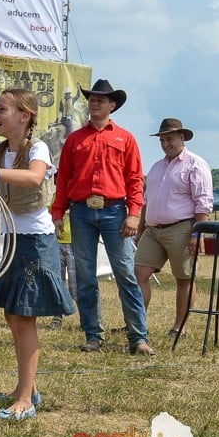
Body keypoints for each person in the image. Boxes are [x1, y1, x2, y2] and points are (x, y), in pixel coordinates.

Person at [0, 87, 76, 421]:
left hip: (35, 243)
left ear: (24, 116)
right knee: (13, 316)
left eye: (2, 110)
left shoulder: (37, 148)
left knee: (24, 318)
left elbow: (34, 177)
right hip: (15, 242)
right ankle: (26, 388)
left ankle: (25, 399)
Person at [52, 79, 155, 356]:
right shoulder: (74, 139)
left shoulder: (126, 138)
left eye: (101, 99)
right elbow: (64, 180)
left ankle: (138, 338)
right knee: (85, 276)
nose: (94, 102)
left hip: (115, 210)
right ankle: (93, 335)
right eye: (92, 99)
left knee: (126, 273)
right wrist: (58, 212)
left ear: (113, 105)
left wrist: (134, 214)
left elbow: (135, 180)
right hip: (81, 210)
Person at [135, 118, 213, 340]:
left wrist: (198, 233)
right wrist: (141, 228)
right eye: (162, 140)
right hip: (152, 229)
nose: (165, 143)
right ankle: (138, 324)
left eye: (169, 139)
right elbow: (146, 200)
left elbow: (203, 202)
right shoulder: (157, 167)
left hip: (182, 227)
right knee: (139, 273)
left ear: (182, 137)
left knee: (184, 278)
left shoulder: (196, 164)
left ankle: (180, 327)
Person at [49, 206, 75, 330]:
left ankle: (87, 319)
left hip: (75, 244)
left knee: (77, 285)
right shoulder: (55, 198)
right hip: (56, 243)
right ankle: (57, 317)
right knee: (57, 282)